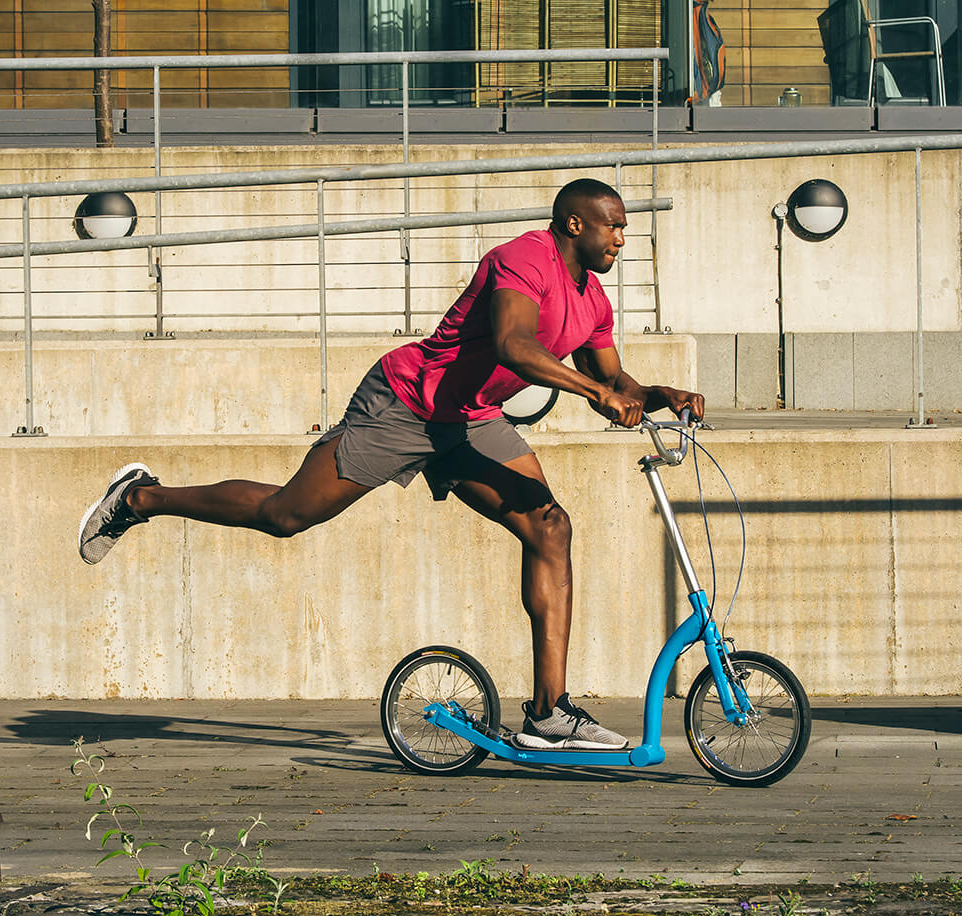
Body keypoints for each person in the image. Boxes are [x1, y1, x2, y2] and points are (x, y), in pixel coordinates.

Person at [78, 178, 704, 751]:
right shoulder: (523, 258)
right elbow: (515, 344)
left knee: (550, 527)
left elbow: (614, 376)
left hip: (472, 421)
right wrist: (597, 394)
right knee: (286, 515)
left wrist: (659, 395)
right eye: (614, 227)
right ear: (575, 225)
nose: (622, 240)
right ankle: (141, 498)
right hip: (407, 403)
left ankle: (548, 711)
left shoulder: (591, 298)